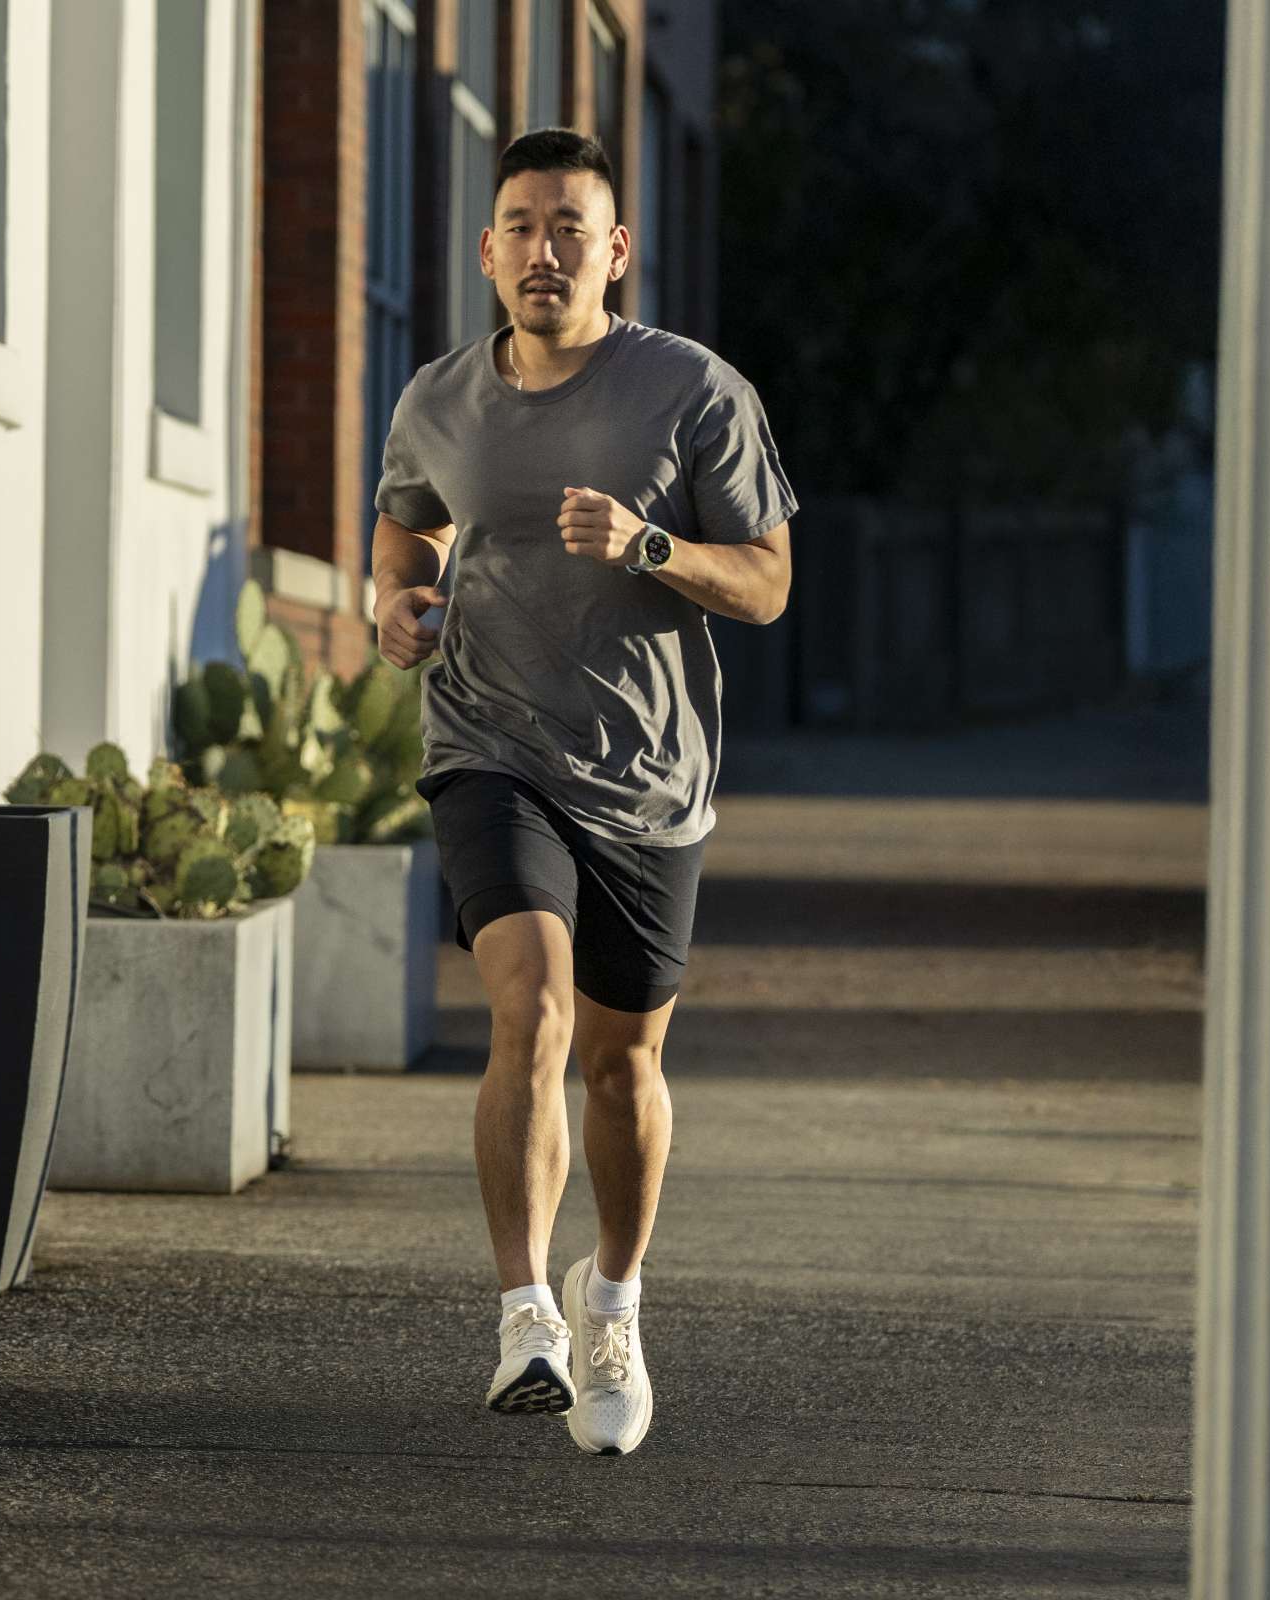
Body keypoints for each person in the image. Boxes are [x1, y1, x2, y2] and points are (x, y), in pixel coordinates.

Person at [369, 129, 797, 1457]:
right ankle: (526, 1314)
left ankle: (614, 1295)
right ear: (488, 249)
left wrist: (652, 543)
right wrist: (395, 598)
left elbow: (772, 584)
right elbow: (405, 517)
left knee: (623, 1062)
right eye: (519, 225)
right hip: (491, 748)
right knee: (534, 1011)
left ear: (615, 251)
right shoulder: (439, 396)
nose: (542, 249)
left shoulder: (692, 392)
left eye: (570, 226)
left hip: (651, 783)